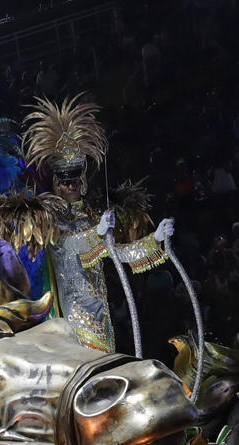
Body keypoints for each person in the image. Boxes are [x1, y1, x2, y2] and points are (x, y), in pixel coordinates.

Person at [17, 95, 175, 353]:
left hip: (100, 312)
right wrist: (98, 232)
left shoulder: (91, 215)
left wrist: (154, 239)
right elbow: (67, 248)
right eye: (65, 181)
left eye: (75, 181)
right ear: (56, 181)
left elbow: (119, 252)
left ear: (83, 181)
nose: (70, 187)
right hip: (70, 316)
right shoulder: (50, 216)